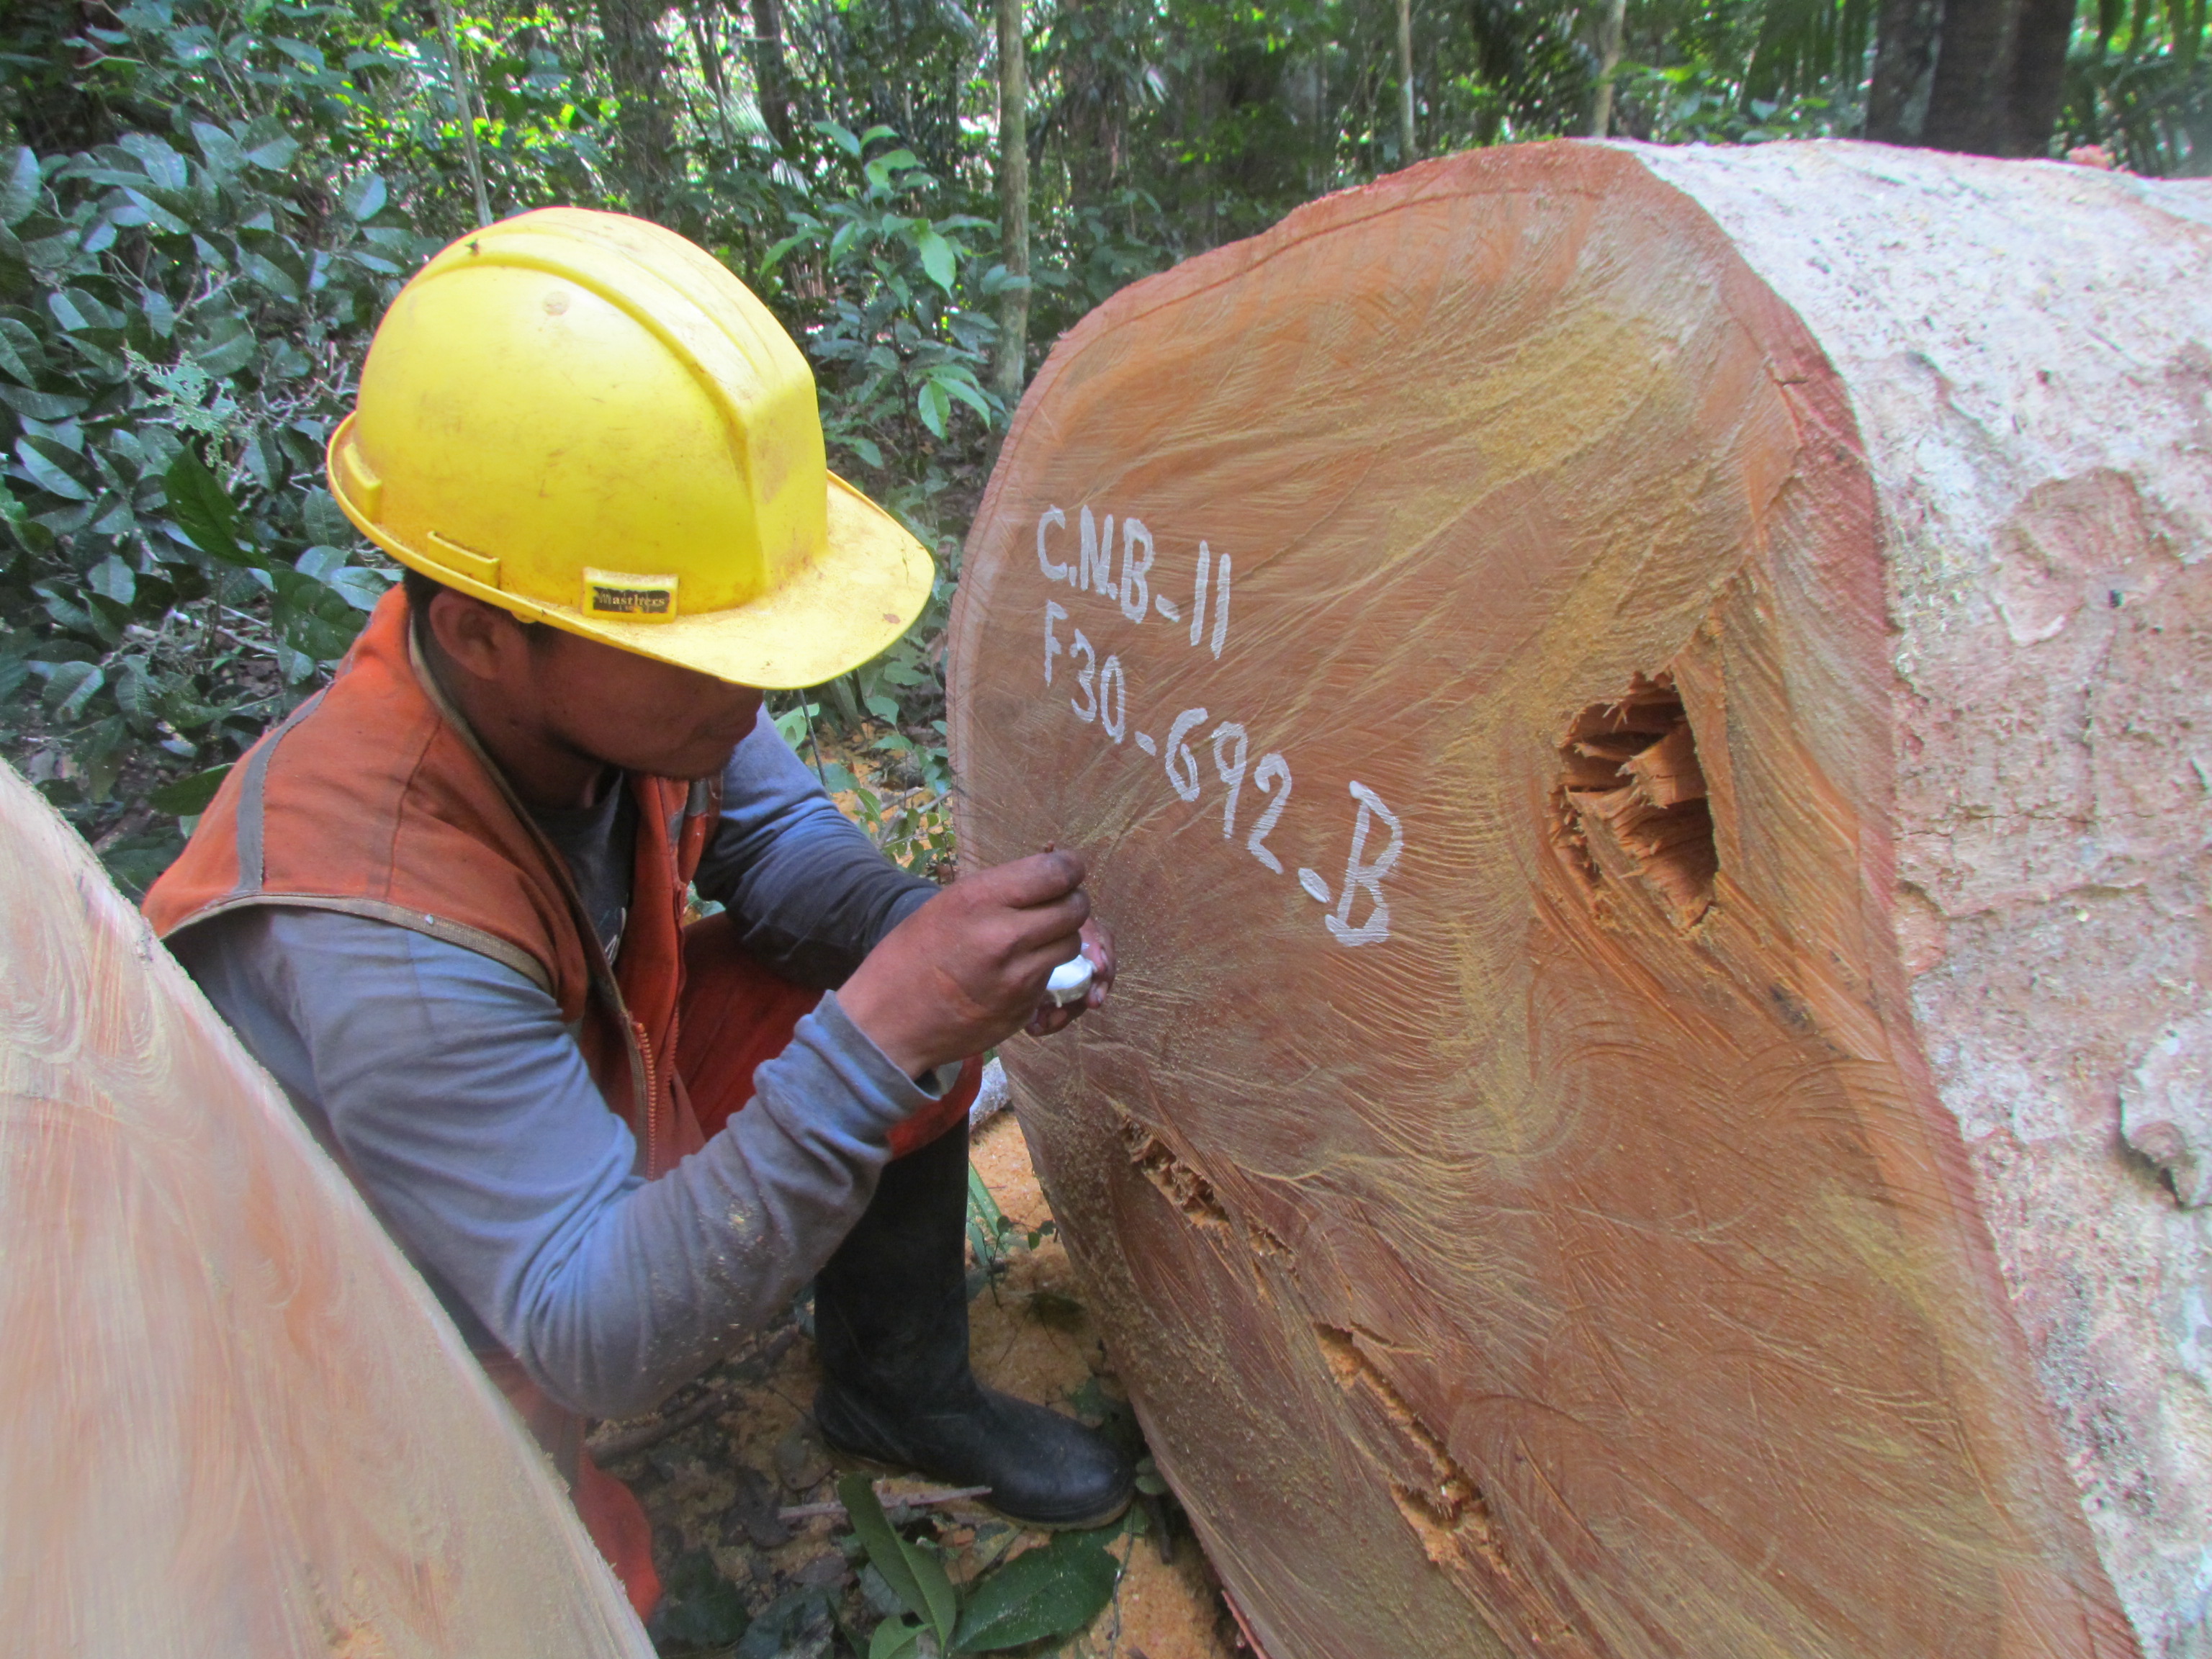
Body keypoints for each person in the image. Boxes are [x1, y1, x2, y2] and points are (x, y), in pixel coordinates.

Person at [142, 207, 1132, 1617]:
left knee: (868, 1005)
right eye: (709, 655)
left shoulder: (614, 682)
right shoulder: (375, 928)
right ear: (485, 632)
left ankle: (900, 1396)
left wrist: (927, 939)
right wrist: (892, 1014)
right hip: (373, 1301)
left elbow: (781, 843)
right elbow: (586, 1328)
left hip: (563, 1111)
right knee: (599, 1597)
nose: (757, 696)